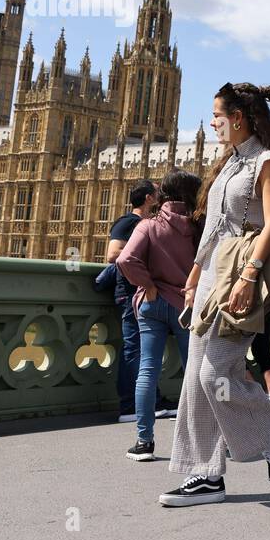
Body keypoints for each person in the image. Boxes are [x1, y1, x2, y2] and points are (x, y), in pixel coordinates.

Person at [159, 82, 270, 508]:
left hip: (242, 276)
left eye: (217, 115)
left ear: (238, 118)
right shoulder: (228, 165)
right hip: (213, 276)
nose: (213, 122)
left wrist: (250, 275)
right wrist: (195, 274)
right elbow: (215, 227)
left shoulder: (265, 161)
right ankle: (206, 474)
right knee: (195, 378)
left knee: (213, 373)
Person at [116, 169, 201, 461]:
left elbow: (125, 259)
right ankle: (201, 440)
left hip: (152, 304)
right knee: (196, 373)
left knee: (147, 371)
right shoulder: (199, 227)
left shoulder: (148, 225)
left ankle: (144, 442)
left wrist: (148, 284)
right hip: (186, 306)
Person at [107, 180, 159, 422]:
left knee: (145, 351)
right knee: (133, 349)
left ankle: (150, 401)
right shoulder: (128, 222)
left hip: (142, 291)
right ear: (148, 197)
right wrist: (143, 247)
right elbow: (113, 254)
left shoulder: (147, 223)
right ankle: (129, 405)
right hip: (128, 292)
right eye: (157, 193)